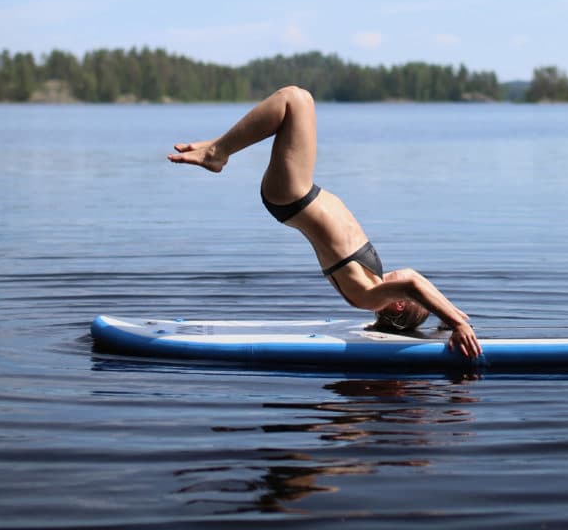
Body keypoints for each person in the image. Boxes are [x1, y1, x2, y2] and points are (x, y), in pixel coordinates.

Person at [168, 85, 481, 359]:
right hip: (300, 194)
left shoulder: (365, 295)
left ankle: (216, 152)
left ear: (398, 305)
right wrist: (450, 312)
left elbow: (414, 283)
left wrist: (456, 323)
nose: (408, 272)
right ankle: (216, 147)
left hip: (292, 197)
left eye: (409, 296)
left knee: (294, 99)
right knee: (298, 98)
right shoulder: (374, 283)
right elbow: (416, 284)